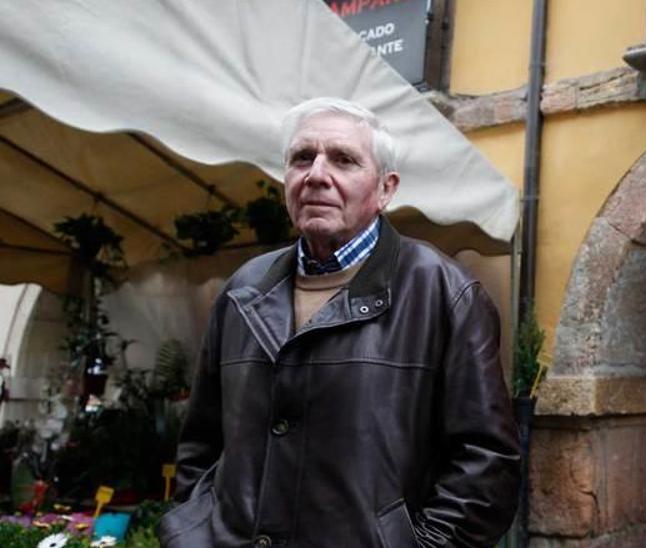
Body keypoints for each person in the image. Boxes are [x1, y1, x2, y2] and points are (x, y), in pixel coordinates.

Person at [159, 98, 520, 547]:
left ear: (386, 189)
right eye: (301, 158)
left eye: (343, 159)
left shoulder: (444, 293)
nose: (316, 174)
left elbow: (486, 466)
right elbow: (202, 442)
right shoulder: (242, 289)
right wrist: (194, 532)